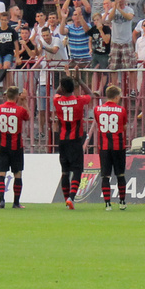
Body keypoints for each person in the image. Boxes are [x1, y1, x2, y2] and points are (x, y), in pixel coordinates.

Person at [52, 76, 92, 209]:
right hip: (75, 141)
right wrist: (80, 80)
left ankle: (66, 200)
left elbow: (57, 92)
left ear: (62, 88)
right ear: (74, 88)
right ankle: (71, 198)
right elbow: (90, 95)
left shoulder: (57, 100)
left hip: (62, 140)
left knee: (64, 171)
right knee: (77, 170)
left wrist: (64, 77)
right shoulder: (78, 100)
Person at [0, 86, 32, 208]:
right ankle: (16, 202)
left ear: (6, 95)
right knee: (17, 174)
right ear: (17, 96)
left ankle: (1, 200)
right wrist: (24, 101)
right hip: (16, 146)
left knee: (1, 173)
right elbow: (28, 116)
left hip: (2, 145)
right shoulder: (20, 110)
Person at [94, 85, 128, 211]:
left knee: (105, 176)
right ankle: (122, 201)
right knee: (120, 174)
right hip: (118, 146)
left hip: (104, 147)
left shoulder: (98, 109)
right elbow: (124, 127)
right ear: (116, 96)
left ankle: (107, 203)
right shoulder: (121, 110)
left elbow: (99, 123)